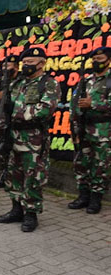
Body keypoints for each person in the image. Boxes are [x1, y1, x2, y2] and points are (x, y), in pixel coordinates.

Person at [0, 47, 60, 232]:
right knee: (13, 174)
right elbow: (6, 106)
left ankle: (31, 214)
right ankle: (16, 209)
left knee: (33, 176)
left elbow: (46, 109)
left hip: (34, 139)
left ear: (41, 63)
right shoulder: (18, 83)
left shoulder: (49, 84)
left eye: (30, 63)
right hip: (13, 136)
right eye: (24, 63)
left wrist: (18, 113)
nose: (26, 66)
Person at [68, 47, 111, 214]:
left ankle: (96, 198)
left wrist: (92, 104)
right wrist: (74, 126)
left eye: (100, 59)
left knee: (101, 165)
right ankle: (83, 195)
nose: (96, 62)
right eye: (94, 59)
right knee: (81, 162)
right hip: (83, 129)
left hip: (104, 131)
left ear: (108, 60)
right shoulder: (86, 81)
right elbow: (75, 103)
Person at [0, 55, 21, 189]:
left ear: (16, 67)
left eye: (8, 66)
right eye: (3, 66)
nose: (5, 69)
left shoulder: (21, 82)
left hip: (14, 124)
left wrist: (5, 97)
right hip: (0, 123)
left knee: (14, 154)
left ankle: (13, 181)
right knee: (0, 152)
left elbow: (20, 103)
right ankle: (2, 177)